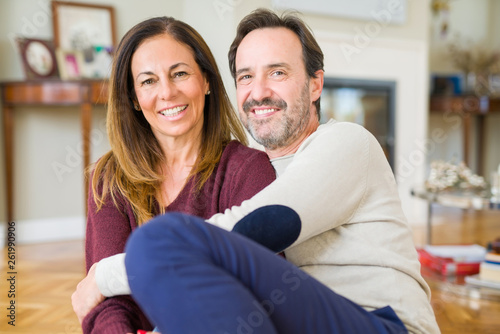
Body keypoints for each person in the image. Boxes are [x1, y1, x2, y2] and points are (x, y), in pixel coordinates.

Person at [74, 8, 440, 334]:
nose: (259, 91)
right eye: (246, 77)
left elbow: (258, 228)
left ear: (315, 83)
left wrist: (103, 277)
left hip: (383, 322)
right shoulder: (261, 168)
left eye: (277, 72)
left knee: (160, 239)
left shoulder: (346, 143)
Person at [75, 16, 277, 334]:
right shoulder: (109, 177)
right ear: (134, 99)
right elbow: (105, 301)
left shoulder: (249, 170)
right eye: (148, 81)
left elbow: (258, 288)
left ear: (206, 81)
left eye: (179, 73)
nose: (167, 92)